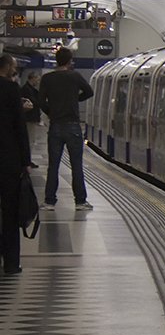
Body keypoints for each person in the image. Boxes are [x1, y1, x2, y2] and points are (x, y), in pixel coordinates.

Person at [39, 47, 94, 210]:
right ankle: (80, 201)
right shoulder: (75, 76)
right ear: (70, 61)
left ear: (56, 60)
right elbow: (89, 92)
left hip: (55, 126)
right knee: (76, 165)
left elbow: (41, 101)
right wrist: (75, 100)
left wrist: (52, 111)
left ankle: (49, 201)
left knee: (53, 165)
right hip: (73, 126)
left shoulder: (47, 79)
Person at [0, 54, 31, 274]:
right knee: (10, 212)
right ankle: (11, 263)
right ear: (8, 68)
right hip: (8, 160)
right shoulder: (11, 90)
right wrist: (25, 161)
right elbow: (20, 129)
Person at [20, 71, 42, 167]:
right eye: (37, 79)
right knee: (30, 140)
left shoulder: (30, 89)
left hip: (30, 117)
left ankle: (28, 159)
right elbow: (34, 102)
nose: (38, 81)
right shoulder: (27, 90)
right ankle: (27, 161)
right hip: (29, 118)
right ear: (32, 78)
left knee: (31, 139)